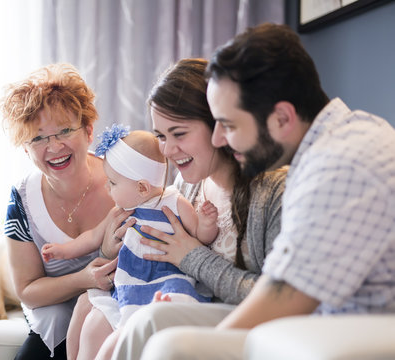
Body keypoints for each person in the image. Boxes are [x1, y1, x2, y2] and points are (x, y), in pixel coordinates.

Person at [135, 23, 395, 359]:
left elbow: (282, 296)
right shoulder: (332, 143)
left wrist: (205, 346)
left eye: (228, 125)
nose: (219, 140)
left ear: (282, 118)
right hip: (318, 318)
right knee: (156, 320)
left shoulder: (339, 166)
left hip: (351, 330)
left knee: (172, 347)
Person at [100, 58, 287, 360]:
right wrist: (110, 252)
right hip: (193, 312)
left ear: (218, 125)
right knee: (100, 311)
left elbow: (282, 297)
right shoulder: (186, 188)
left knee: (148, 322)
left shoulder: (273, 192)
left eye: (179, 134)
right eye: (161, 136)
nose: (167, 151)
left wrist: (192, 257)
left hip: (252, 326)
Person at [43, 126, 218, 360]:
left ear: (142, 187)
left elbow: (200, 235)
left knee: (168, 301)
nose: (107, 188)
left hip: (168, 278)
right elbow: (93, 236)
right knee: (88, 308)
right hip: (130, 280)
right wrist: (63, 251)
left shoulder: (175, 202)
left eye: (113, 183)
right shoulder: (121, 211)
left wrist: (207, 223)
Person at [0, 63, 123, 360]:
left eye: (64, 131)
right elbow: (28, 290)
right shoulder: (22, 199)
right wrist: (85, 279)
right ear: (25, 149)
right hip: (52, 319)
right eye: (38, 138)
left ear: (89, 131)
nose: (53, 147)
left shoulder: (126, 181)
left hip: (116, 311)